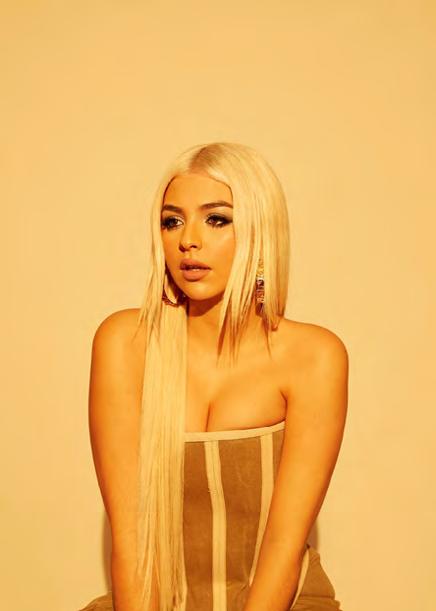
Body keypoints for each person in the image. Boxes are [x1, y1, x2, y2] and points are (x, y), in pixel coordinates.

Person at [78, 142, 348, 611]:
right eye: (172, 221)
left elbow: (283, 551)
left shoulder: (314, 356)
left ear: (260, 232)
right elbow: (132, 541)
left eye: (217, 219)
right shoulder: (124, 343)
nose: (188, 240)